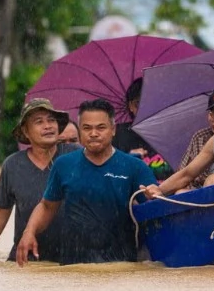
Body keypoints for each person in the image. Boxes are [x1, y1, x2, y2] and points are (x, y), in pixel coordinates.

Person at [16, 98, 158, 266]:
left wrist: (153, 196)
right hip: (73, 267)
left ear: (113, 130)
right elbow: (47, 206)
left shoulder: (134, 167)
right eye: (87, 128)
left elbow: (154, 212)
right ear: (80, 131)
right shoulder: (64, 165)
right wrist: (29, 232)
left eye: (101, 127)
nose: (93, 133)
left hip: (121, 267)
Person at [0, 98, 80, 262]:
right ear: (26, 131)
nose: (48, 126)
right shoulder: (13, 165)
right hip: (26, 259)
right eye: (39, 122)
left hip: (70, 259)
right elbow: (1, 212)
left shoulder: (76, 156)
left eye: (51, 120)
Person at [112, 77, 173, 180]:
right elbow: (109, 173)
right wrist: (127, 160)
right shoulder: (116, 134)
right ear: (130, 106)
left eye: (150, 102)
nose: (144, 108)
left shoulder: (171, 133)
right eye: (138, 103)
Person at [177, 113, 214, 190]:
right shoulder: (200, 137)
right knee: (180, 192)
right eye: (211, 114)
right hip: (200, 188)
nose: (212, 119)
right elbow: (184, 173)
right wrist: (159, 190)